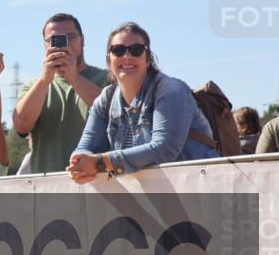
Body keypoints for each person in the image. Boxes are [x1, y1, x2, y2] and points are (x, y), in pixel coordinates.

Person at [67, 22, 219, 182]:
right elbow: (85, 148)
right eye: (118, 50)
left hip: (202, 187)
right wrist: (78, 163)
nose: (127, 56)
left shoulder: (171, 90)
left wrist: (99, 163)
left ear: (148, 59)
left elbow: (164, 149)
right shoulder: (106, 98)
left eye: (136, 49)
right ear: (109, 59)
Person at [13, 13, 109, 173]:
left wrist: (74, 78)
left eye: (70, 37)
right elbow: (21, 126)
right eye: (54, 40)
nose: (65, 45)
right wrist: (44, 80)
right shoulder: (34, 86)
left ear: (82, 40)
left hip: (98, 181)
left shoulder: (107, 79)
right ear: (45, 45)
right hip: (49, 185)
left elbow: (113, 116)